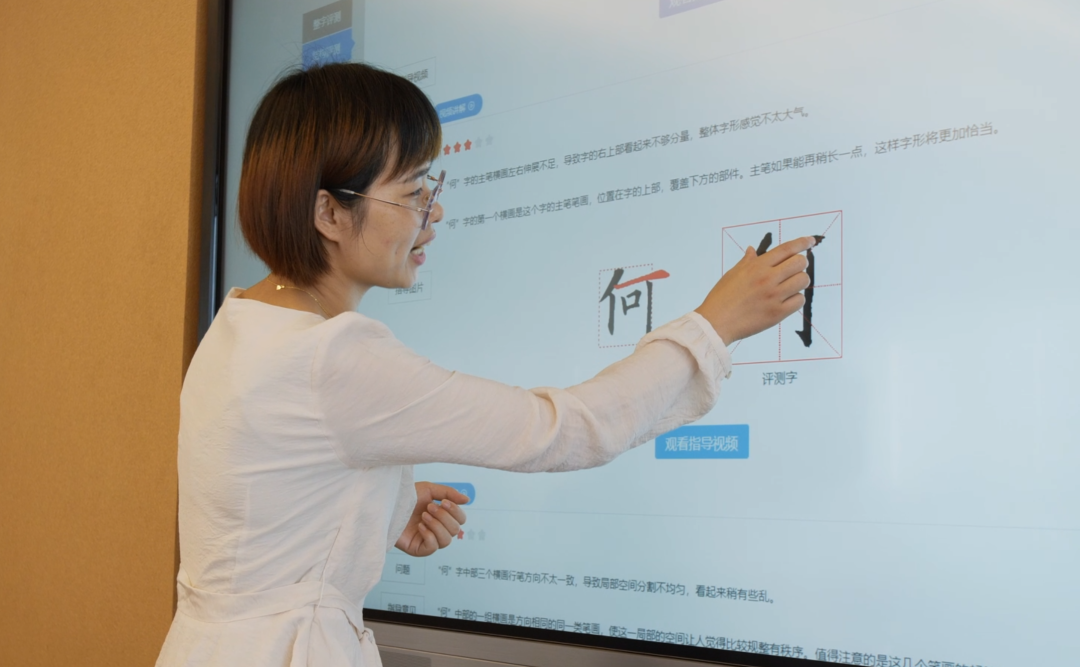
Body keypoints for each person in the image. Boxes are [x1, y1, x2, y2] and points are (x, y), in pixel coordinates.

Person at [156, 62, 814, 666]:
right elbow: (562, 429)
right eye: (413, 190)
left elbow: (264, 506)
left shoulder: (243, 323)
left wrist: (382, 505)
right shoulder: (330, 354)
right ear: (329, 211)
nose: (434, 210)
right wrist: (715, 325)